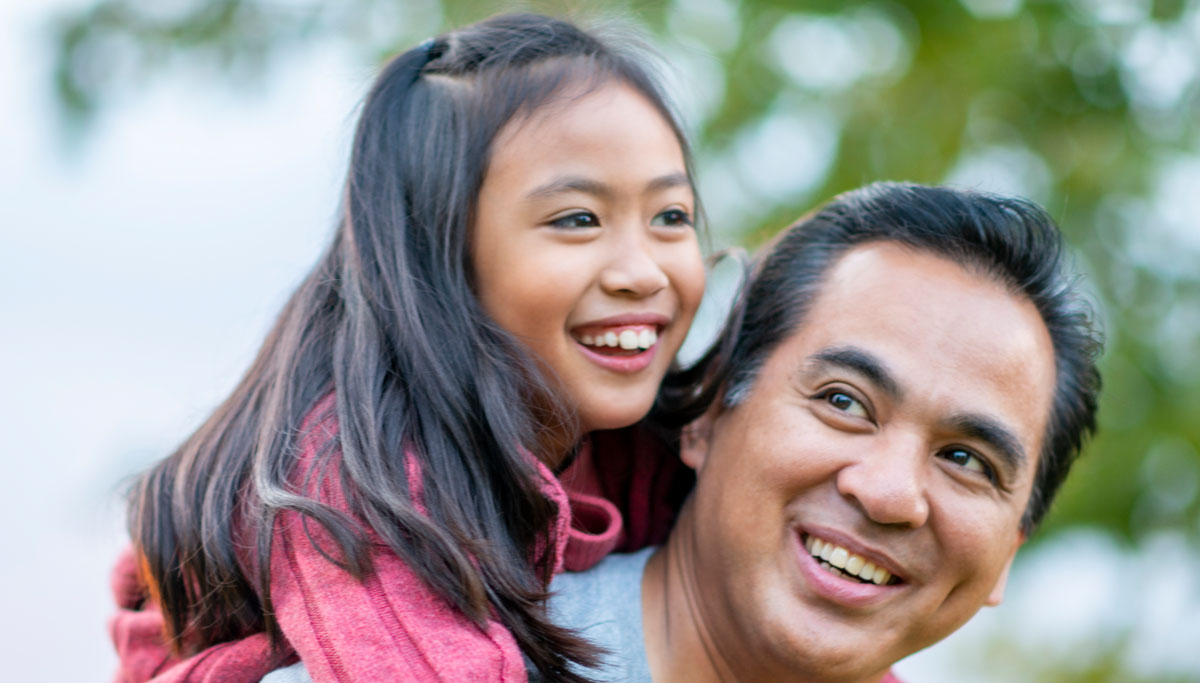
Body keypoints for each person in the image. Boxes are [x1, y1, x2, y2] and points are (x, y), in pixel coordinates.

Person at [107, 12, 707, 683]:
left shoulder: (642, 437)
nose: (644, 270)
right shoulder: (354, 470)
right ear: (438, 255)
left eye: (670, 216)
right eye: (577, 219)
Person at [544, 182, 1103, 682]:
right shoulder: (484, 653)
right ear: (710, 412)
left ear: (1009, 553)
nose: (889, 495)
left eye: (967, 460)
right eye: (844, 401)